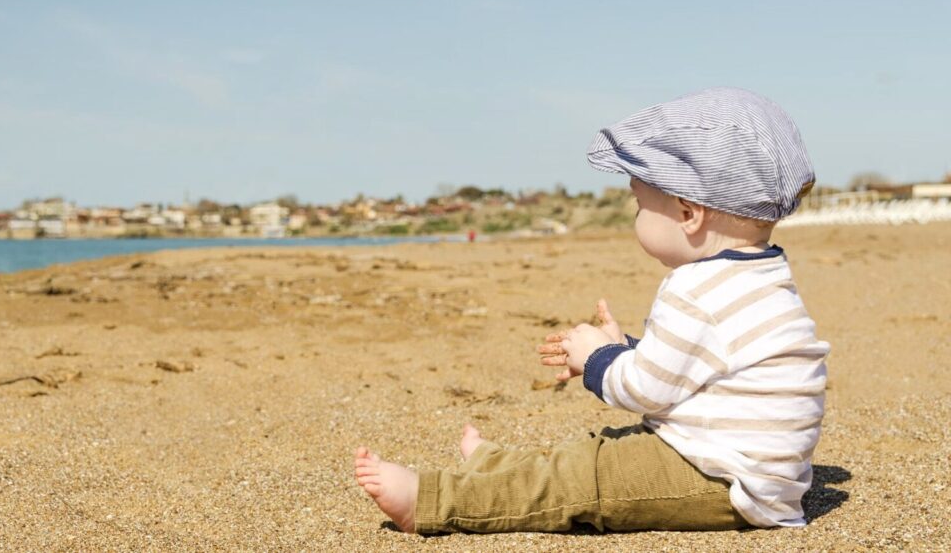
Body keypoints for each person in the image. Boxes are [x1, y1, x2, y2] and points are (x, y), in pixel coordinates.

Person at [354, 87, 829, 534]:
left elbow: (645, 391)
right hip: (756, 474)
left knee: (585, 478)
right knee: (600, 450)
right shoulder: (763, 276)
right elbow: (700, 368)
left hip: (722, 480)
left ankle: (433, 501)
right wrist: (626, 349)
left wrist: (597, 361)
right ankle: (496, 466)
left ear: (688, 213)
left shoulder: (694, 288)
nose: (636, 215)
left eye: (641, 204)